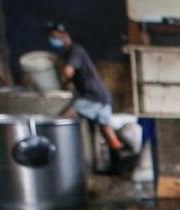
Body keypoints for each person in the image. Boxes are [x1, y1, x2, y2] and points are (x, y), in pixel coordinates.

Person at [46, 22, 127, 164]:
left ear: (65, 35)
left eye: (55, 36)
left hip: (92, 96)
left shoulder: (74, 50)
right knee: (106, 129)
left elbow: (68, 71)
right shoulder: (71, 52)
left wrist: (60, 73)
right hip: (101, 95)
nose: (53, 39)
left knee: (63, 119)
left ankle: (57, 157)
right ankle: (119, 164)